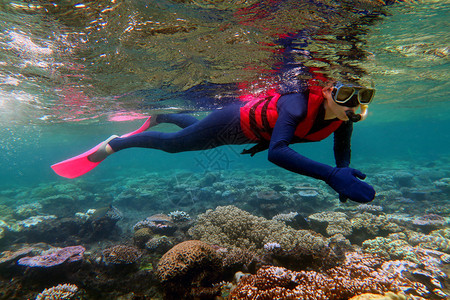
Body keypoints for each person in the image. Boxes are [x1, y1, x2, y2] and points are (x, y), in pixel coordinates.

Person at [52, 81, 376, 204]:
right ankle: (117, 142)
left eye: (362, 96)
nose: (353, 103)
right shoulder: (298, 104)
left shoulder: (344, 118)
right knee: (176, 145)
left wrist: (343, 172)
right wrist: (331, 176)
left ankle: (167, 115)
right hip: (232, 120)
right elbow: (278, 152)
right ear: (327, 90)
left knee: (196, 135)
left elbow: (341, 147)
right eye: (345, 93)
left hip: (245, 132)